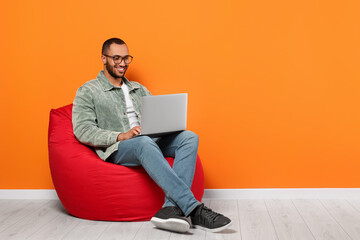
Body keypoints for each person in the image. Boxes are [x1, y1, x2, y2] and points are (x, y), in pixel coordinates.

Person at [72, 37, 232, 233]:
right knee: (144, 143)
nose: (122, 63)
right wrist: (121, 135)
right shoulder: (88, 90)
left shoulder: (138, 89)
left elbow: (156, 117)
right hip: (121, 147)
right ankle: (194, 208)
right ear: (103, 59)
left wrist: (167, 125)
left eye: (126, 58)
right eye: (116, 58)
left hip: (148, 139)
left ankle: (169, 209)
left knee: (189, 137)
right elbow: (82, 130)